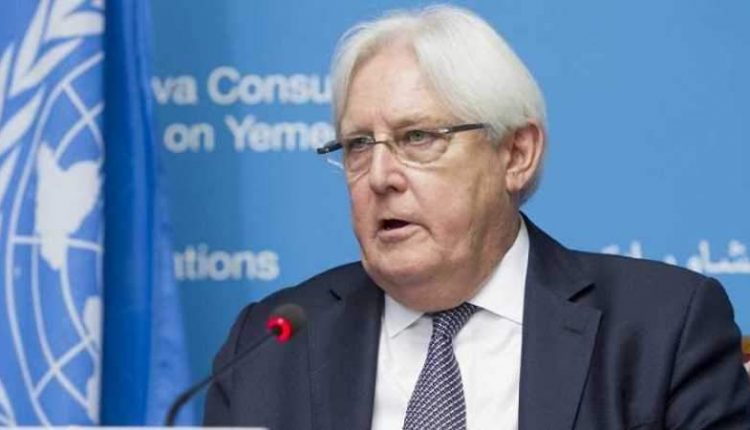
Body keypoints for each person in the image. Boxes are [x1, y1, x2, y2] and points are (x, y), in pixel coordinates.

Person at [204, 5, 750, 429]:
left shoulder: (661, 328)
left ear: (516, 154)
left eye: (418, 137)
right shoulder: (270, 345)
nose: (380, 176)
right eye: (358, 145)